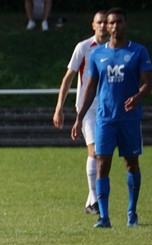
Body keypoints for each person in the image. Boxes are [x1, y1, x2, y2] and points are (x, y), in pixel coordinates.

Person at [72, 7, 152, 229]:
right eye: (112, 22)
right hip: (105, 119)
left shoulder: (138, 51)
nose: (115, 26)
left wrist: (137, 97)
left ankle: (131, 212)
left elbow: (148, 82)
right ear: (106, 27)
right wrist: (79, 117)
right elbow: (90, 87)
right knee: (102, 163)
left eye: (119, 22)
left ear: (126, 24)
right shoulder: (98, 54)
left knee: (131, 164)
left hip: (129, 119)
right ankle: (104, 217)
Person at [53, 12, 109, 215]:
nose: (103, 25)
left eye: (105, 22)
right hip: (87, 108)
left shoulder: (114, 48)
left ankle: (90, 201)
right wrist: (59, 107)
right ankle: (94, 201)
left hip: (108, 107)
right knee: (95, 151)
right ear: (93, 25)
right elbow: (68, 77)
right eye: (99, 22)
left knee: (104, 154)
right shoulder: (84, 47)